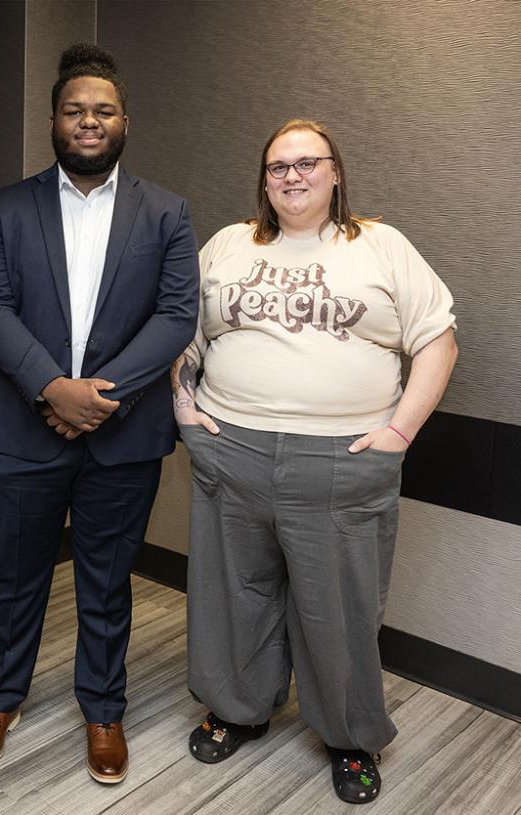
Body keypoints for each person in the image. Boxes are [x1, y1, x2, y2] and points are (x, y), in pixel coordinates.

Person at [173, 118, 457, 804]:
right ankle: (237, 708)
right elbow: (181, 333)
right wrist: (183, 406)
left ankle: (350, 736)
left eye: (307, 163)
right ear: (264, 179)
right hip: (231, 449)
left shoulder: (380, 245)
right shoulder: (227, 244)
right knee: (231, 595)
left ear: (334, 172)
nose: (292, 176)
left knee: (339, 610)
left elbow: (437, 340)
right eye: (278, 166)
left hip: (341, 459)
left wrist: (400, 432)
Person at [0, 44, 199, 784]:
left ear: (124, 122)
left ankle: (103, 708)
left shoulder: (166, 211)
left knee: (107, 582)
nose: (88, 121)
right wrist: (50, 387)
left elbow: (176, 314)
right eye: (74, 110)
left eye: (102, 110)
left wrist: (95, 396)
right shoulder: (7, 206)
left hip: (124, 436)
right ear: (54, 123)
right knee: (15, 576)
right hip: (23, 429)